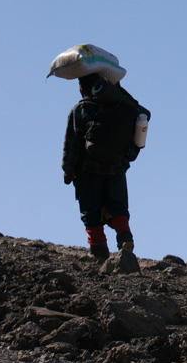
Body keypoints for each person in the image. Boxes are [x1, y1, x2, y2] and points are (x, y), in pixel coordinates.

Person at [62, 73, 145, 259]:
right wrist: (123, 161)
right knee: (117, 207)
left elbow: (72, 145)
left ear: (83, 88)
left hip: (88, 172)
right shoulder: (119, 109)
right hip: (117, 169)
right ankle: (124, 236)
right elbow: (133, 144)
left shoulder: (80, 109)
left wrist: (68, 171)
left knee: (90, 211)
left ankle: (98, 249)